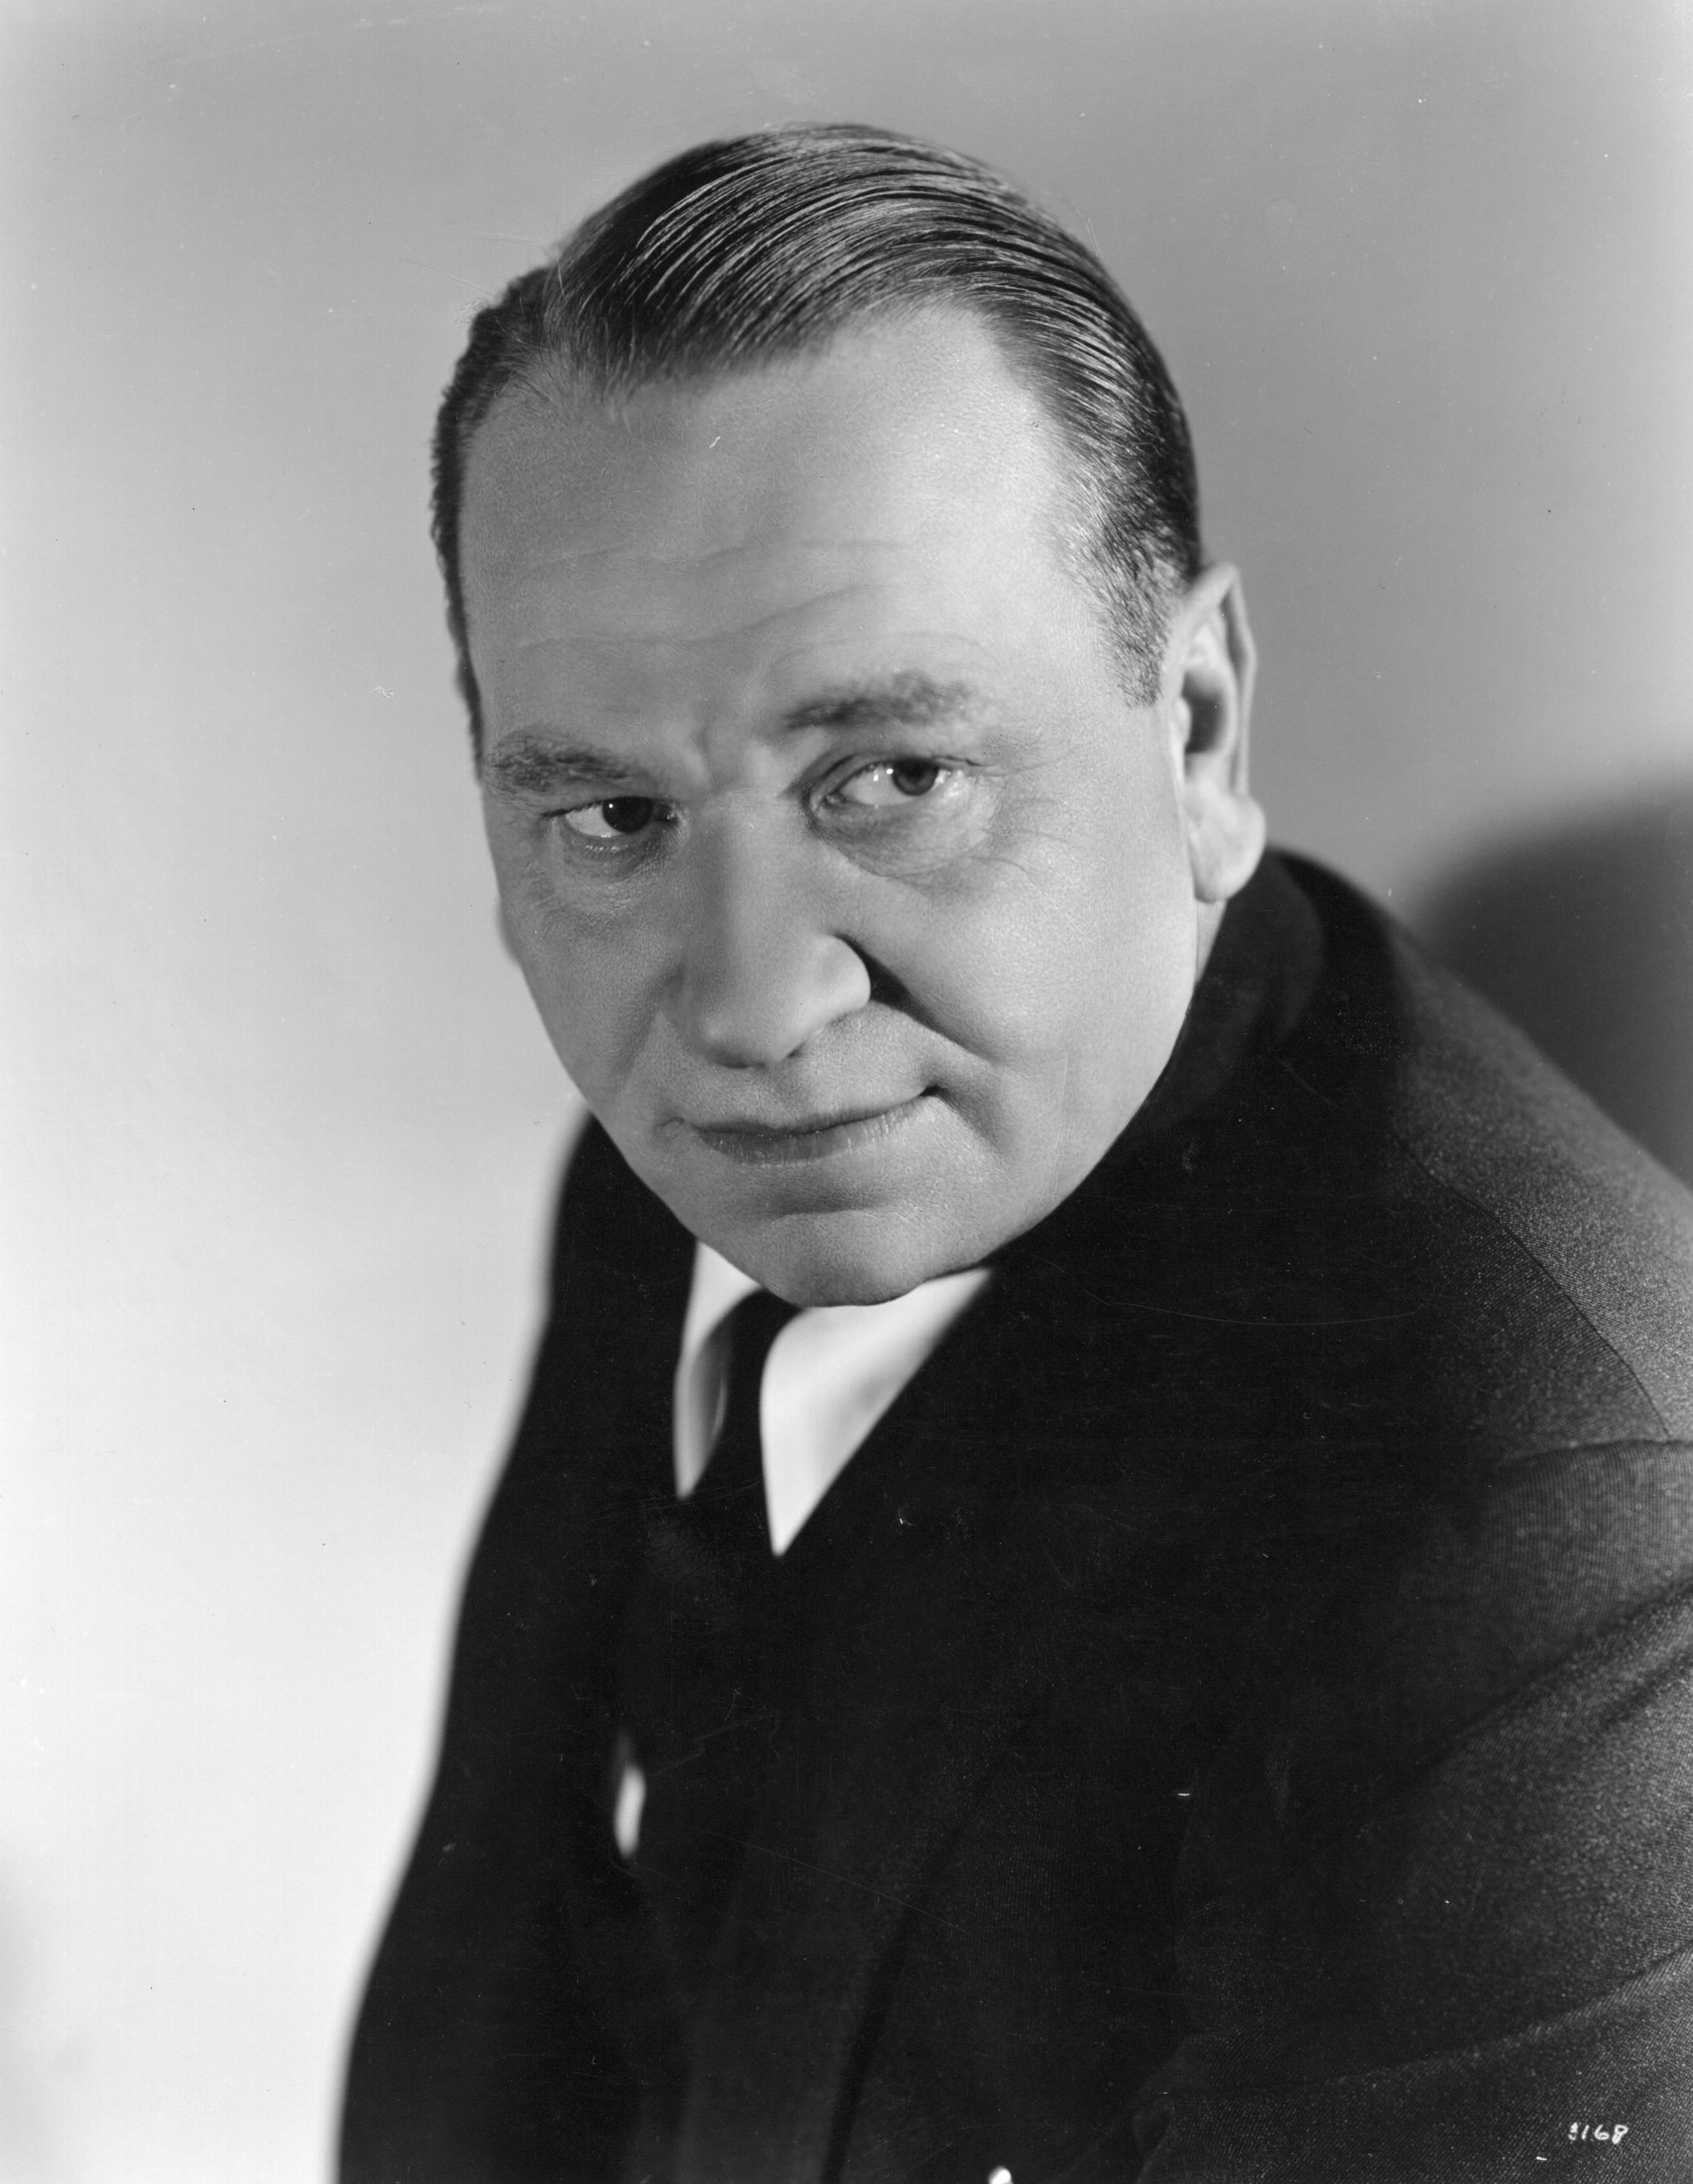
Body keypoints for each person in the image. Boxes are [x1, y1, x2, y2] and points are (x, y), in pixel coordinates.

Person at [339, 126, 1693, 2182]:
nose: (746, 1003)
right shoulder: (676, 1181)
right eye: (608, 817)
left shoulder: (1551, 1542)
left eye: (889, 774)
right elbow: (482, 2047)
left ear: (1201, 733)